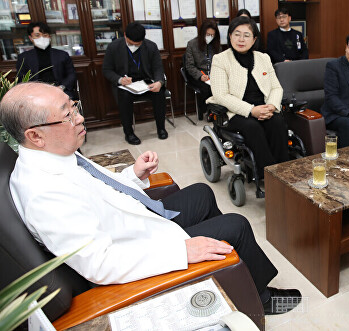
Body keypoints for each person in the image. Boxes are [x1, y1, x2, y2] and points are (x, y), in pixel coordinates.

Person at [0, 82, 302, 316]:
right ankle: (259, 300)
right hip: (134, 251)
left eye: (73, 106)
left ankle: (219, 278)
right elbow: (101, 265)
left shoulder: (55, 154)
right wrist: (182, 252)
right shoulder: (44, 194)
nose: (79, 118)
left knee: (201, 193)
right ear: (35, 135)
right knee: (235, 225)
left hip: (133, 223)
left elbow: (102, 189)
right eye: (67, 115)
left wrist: (133, 174)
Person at [207, 16, 288, 181]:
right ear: (230, 36)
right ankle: (268, 177)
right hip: (235, 112)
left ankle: (283, 170)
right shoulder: (220, 60)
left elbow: (276, 87)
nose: (241, 39)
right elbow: (221, 95)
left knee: (278, 121)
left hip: (264, 107)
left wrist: (271, 106)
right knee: (253, 127)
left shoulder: (263, 58)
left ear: (254, 39)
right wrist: (251, 110)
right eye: (237, 34)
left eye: (246, 35)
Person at [102, 22, 167, 145]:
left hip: (146, 82)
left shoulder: (151, 46)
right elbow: (107, 70)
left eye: (138, 44)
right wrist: (120, 80)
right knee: (124, 97)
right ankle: (129, 133)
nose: (134, 46)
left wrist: (159, 81)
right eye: (131, 44)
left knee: (159, 92)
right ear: (125, 35)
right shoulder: (113, 47)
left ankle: (161, 128)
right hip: (126, 85)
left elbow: (158, 68)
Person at [16, 22, 77, 99]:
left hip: (60, 91)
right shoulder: (24, 57)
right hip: (36, 94)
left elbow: (71, 75)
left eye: (45, 35)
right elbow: (22, 80)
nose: (42, 38)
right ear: (30, 38)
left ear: (49, 37)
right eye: (37, 35)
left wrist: (61, 87)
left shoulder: (62, 55)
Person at [184, 19, 222, 117]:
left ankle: (218, 111)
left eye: (212, 35)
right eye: (208, 34)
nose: (210, 37)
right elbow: (189, 66)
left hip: (214, 75)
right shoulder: (192, 44)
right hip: (199, 74)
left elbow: (221, 62)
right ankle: (206, 111)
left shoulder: (216, 45)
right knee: (205, 88)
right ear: (202, 33)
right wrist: (200, 76)